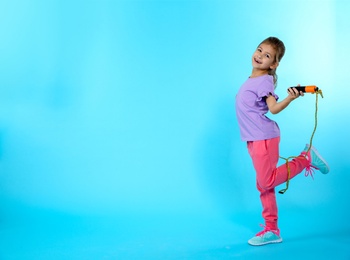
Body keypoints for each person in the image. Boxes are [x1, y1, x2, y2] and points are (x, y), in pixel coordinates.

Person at [235, 36, 330, 246]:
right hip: (254, 139)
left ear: (274, 64)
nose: (260, 56)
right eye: (259, 50)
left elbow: (273, 109)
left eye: (267, 55)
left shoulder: (264, 81)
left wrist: (290, 98)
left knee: (265, 182)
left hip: (264, 138)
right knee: (264, 186)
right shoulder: (254, 79)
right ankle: (272, 230)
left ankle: (305, 159)